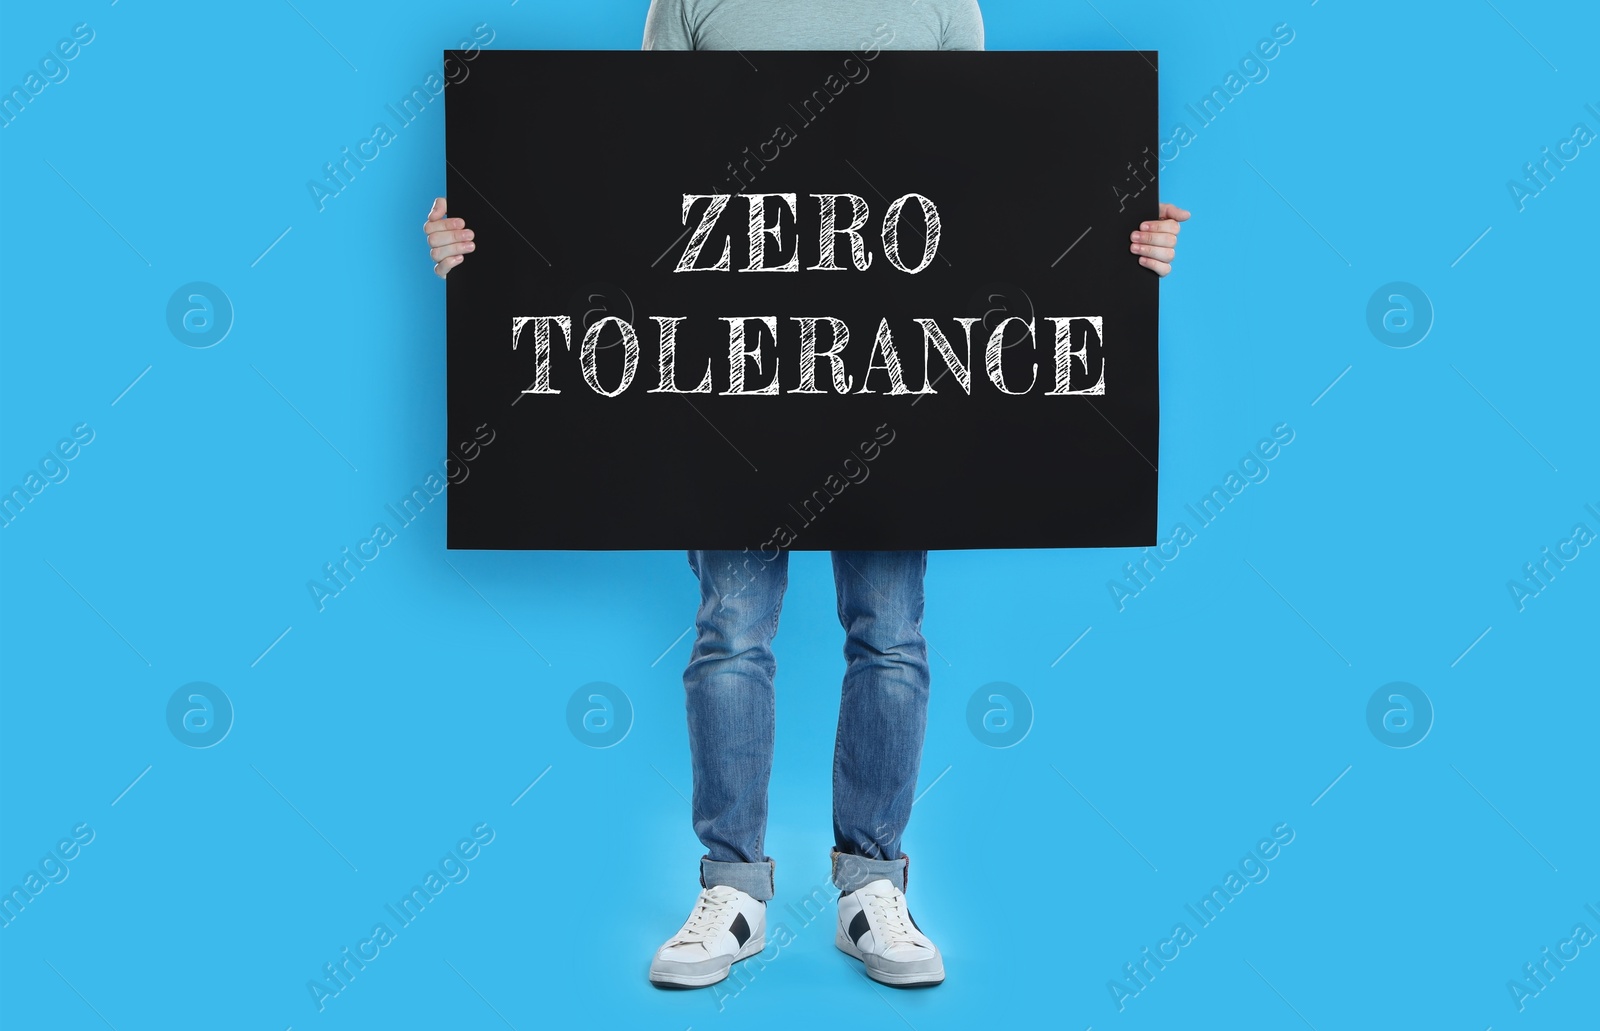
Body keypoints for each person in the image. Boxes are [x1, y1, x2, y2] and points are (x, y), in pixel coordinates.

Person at [422, 0, 1190, 991]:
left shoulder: (940, 3)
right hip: (730, 377)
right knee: (730, 626)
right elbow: (627, 178)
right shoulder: (691, 0)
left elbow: (993, 190)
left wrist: (1115, 246)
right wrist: (491, 248)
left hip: (890, 378)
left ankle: (873, 887)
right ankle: (733, 888)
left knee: (889, 626)